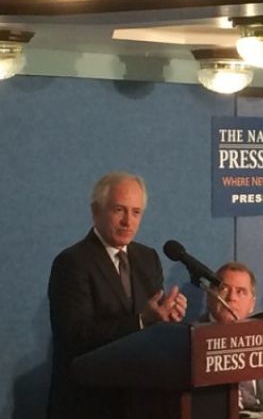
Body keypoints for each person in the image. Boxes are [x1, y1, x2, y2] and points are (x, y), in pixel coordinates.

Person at [47, 172, 187, 419]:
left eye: (136, 212)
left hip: (141, 400)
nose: (127, 222)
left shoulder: (148, 258)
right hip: (90, 404)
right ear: (96, 211)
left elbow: (153, 325)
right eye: (119, 210)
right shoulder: (72, 263)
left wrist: (168, 314)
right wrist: (142, 321)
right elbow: (75, 335)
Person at [204, 262, 263, 410]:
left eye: (241, 292)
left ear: (252, 304)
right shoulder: (193, 338)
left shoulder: (262, 339)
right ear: (209, 296)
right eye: (224, 289)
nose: (232, 298)